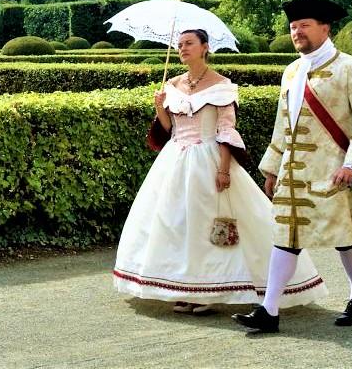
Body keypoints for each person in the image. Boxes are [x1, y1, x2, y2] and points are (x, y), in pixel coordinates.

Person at [113, 28, 327, 315]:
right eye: (179, 44)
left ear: (205, 47)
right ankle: (184, 288)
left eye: (189, 43)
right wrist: (160, 108)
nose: (182, 49)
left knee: (207, 224)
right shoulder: (173, 84)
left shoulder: (222, 85)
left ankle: (209, 291)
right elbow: (168, 130)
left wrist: (224, 170)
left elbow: (226, 130)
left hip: (209, 159)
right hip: (174, 161)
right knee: (176, 225)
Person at [233, 0, 352, 334]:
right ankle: (270, 309)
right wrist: (273, 168)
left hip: (334, 172)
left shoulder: (351, 68)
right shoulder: (291, 71)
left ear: (326, 28)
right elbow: (284, 124)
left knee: (345, 238)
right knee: (286, 237)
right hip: (294, 175)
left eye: (304, 25)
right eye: (293, 27)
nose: (297, 32)